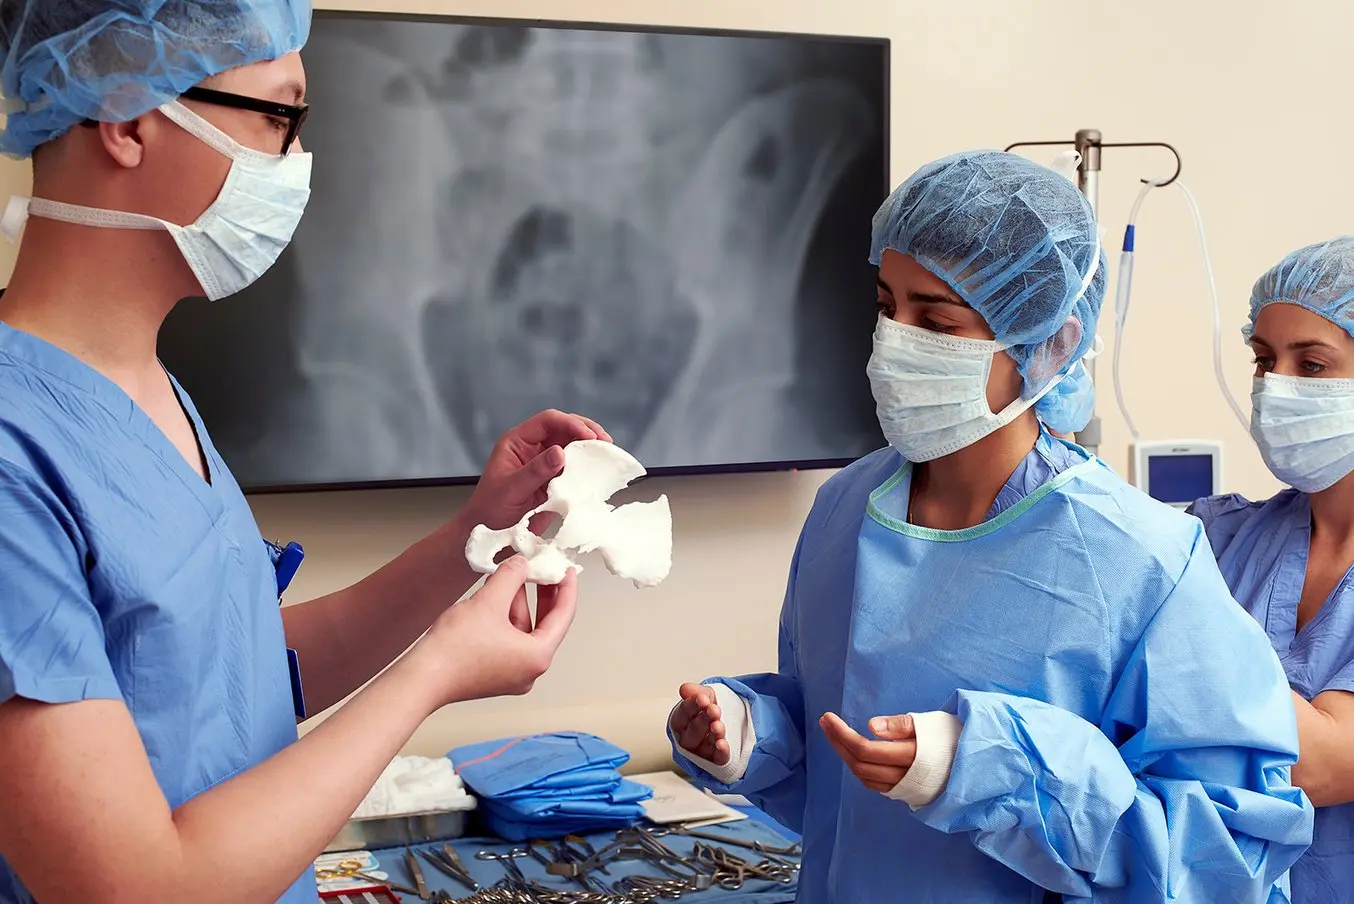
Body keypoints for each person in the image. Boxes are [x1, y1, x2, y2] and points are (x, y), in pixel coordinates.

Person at [0, 2, 609, 901]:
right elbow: (134, 888)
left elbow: (232, 677)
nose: (296, 164)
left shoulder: (151, 392)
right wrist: (435, 673)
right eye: (280, 118)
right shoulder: (17, 453)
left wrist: (470, 539)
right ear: (128, 118)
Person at [667, 150, 1314, 903]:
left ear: (1050, 346)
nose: (896, 341)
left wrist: (994, 770)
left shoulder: (1140, 559)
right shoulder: (846, 508)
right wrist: (751, 734)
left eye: (936, 321)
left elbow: (1223, 858)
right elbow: (841, 751)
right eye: (887, 306)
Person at [1188, 236, 1354, 904]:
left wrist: (1177, 655)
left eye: (1311, 365)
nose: (1274, 386)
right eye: (1263, 359)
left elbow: (1323, 763)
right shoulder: (1224, 537)